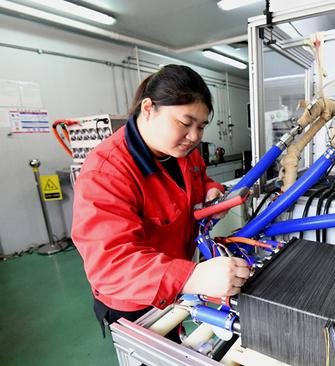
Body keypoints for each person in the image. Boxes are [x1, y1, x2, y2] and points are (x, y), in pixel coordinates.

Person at [72, 65, 250, 338]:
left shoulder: (183, 152)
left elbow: (200, 180)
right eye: (185, 123)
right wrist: (191, 277)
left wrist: (212, 191)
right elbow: (110, 264)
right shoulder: (106, 171)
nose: (195, 137)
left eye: (201, 126)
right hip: (135, 302)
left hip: (176, 284)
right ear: (148, 109)